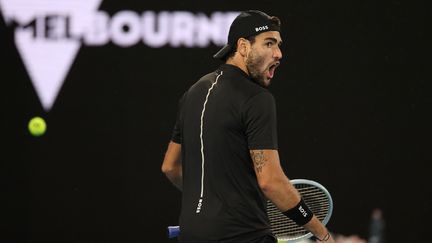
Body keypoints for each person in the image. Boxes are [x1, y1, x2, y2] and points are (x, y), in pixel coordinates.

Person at [161, 10, 335, 243]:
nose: (279, 54)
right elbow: (271, 182)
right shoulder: (257, 98)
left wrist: (212, 200)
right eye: (269, 43)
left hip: (192, 234)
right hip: (244, 236)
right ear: (243, 47)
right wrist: (321, 233)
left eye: (279, 45)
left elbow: (170, 167)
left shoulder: (193, 93)